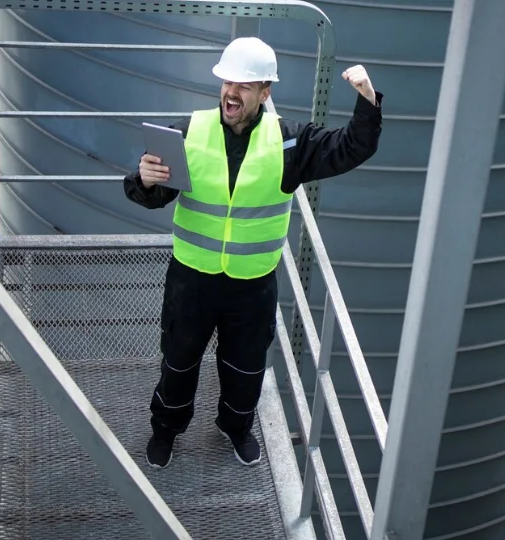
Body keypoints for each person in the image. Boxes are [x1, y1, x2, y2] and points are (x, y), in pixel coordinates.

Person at [124, 36, 383, 468]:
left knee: (244, 369)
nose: (232, 91)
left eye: (245, 85)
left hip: (252, 286)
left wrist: (367, 102)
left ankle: (235, 426)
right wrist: (145, 180)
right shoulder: (188, 132)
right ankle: (166, 429)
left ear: (265, 93)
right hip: (192, 279)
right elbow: (151, 195)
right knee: (179, 361)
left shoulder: (288, 144)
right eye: (228, 81)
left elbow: (350, 148)